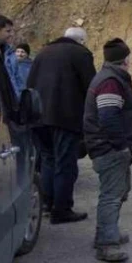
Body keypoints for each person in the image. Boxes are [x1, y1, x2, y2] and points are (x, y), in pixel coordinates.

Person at [27, 27, 95, 224]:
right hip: (65, 117)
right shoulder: (80, 53)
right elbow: (91, 87)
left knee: (48, 160)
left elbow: (30, 84)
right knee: (65, 165)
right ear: (81, 41)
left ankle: (47, 204)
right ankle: (62, 210)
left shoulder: (42, 53)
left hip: (38, 117)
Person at [83, 39, 132, 263]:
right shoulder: (110, 81)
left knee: (116, 193)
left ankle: (108, 233)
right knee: (111, 195)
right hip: (109, 148)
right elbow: (108, 115)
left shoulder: (108, 77)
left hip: (106, 145)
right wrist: (121, 146)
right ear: (125, 59)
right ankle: (107, 244)